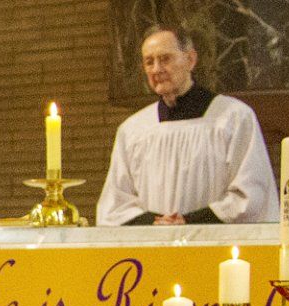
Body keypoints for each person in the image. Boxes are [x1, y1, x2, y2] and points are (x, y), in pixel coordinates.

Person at [96, 25, 275, 225]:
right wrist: (156, 222)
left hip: (215, 248)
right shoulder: (133, 130)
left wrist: (189, 222)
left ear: (190, 60)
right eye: (149, 62)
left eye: (165, 59)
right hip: (152, 250)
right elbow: (115, 204)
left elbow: (250, 194)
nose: (156, 69)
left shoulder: (233, 118)